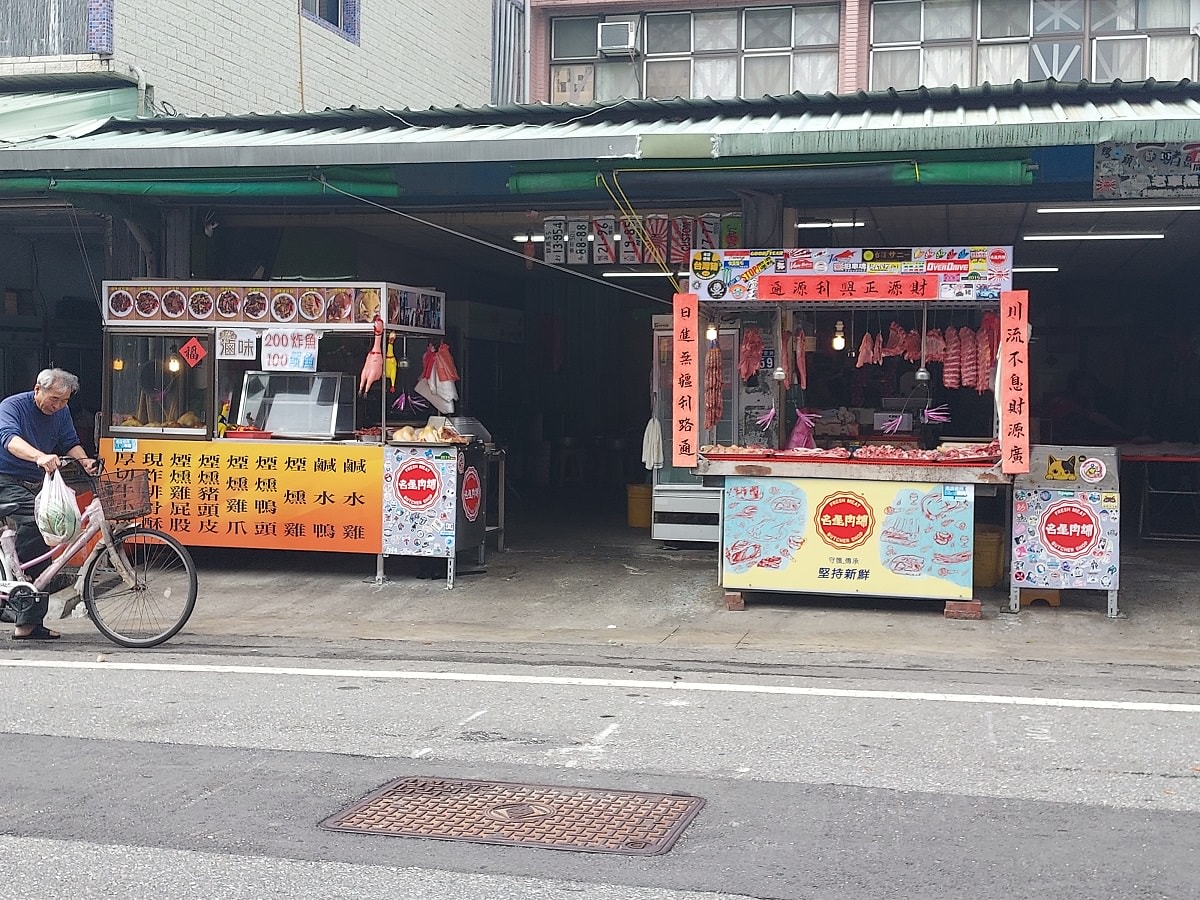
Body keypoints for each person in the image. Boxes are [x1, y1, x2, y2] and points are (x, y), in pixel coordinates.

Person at [0, 368, 98, 640]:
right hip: (5, 480)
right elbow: (9, 440)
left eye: (65, 401)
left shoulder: (61, 413)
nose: (58, 406)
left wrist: (85, 461)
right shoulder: (12, 407)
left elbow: (70, 442)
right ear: (37, 390)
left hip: (36, 483)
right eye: (54, 399)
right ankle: (23, 611)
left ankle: (31, 620)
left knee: (49, 534)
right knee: (37, 523)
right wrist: (39, 457)